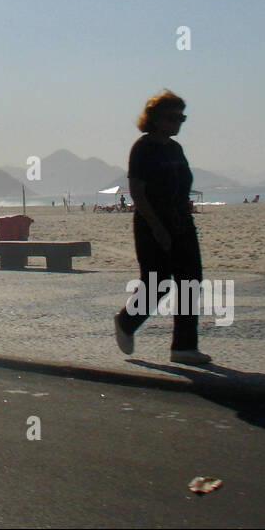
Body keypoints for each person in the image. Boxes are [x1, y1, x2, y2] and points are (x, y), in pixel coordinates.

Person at [113, 91, 211, 365]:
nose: (178, 122)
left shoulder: (174, 148)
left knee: (191, 281)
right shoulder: (143, 148)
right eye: (172, 117)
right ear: (155, 119)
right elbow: (138, 192)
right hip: (152, 224)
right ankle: (126, 322)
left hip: (182, 223)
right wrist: (157, 227)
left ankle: (184, 347)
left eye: (182, 117)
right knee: (158, 283)